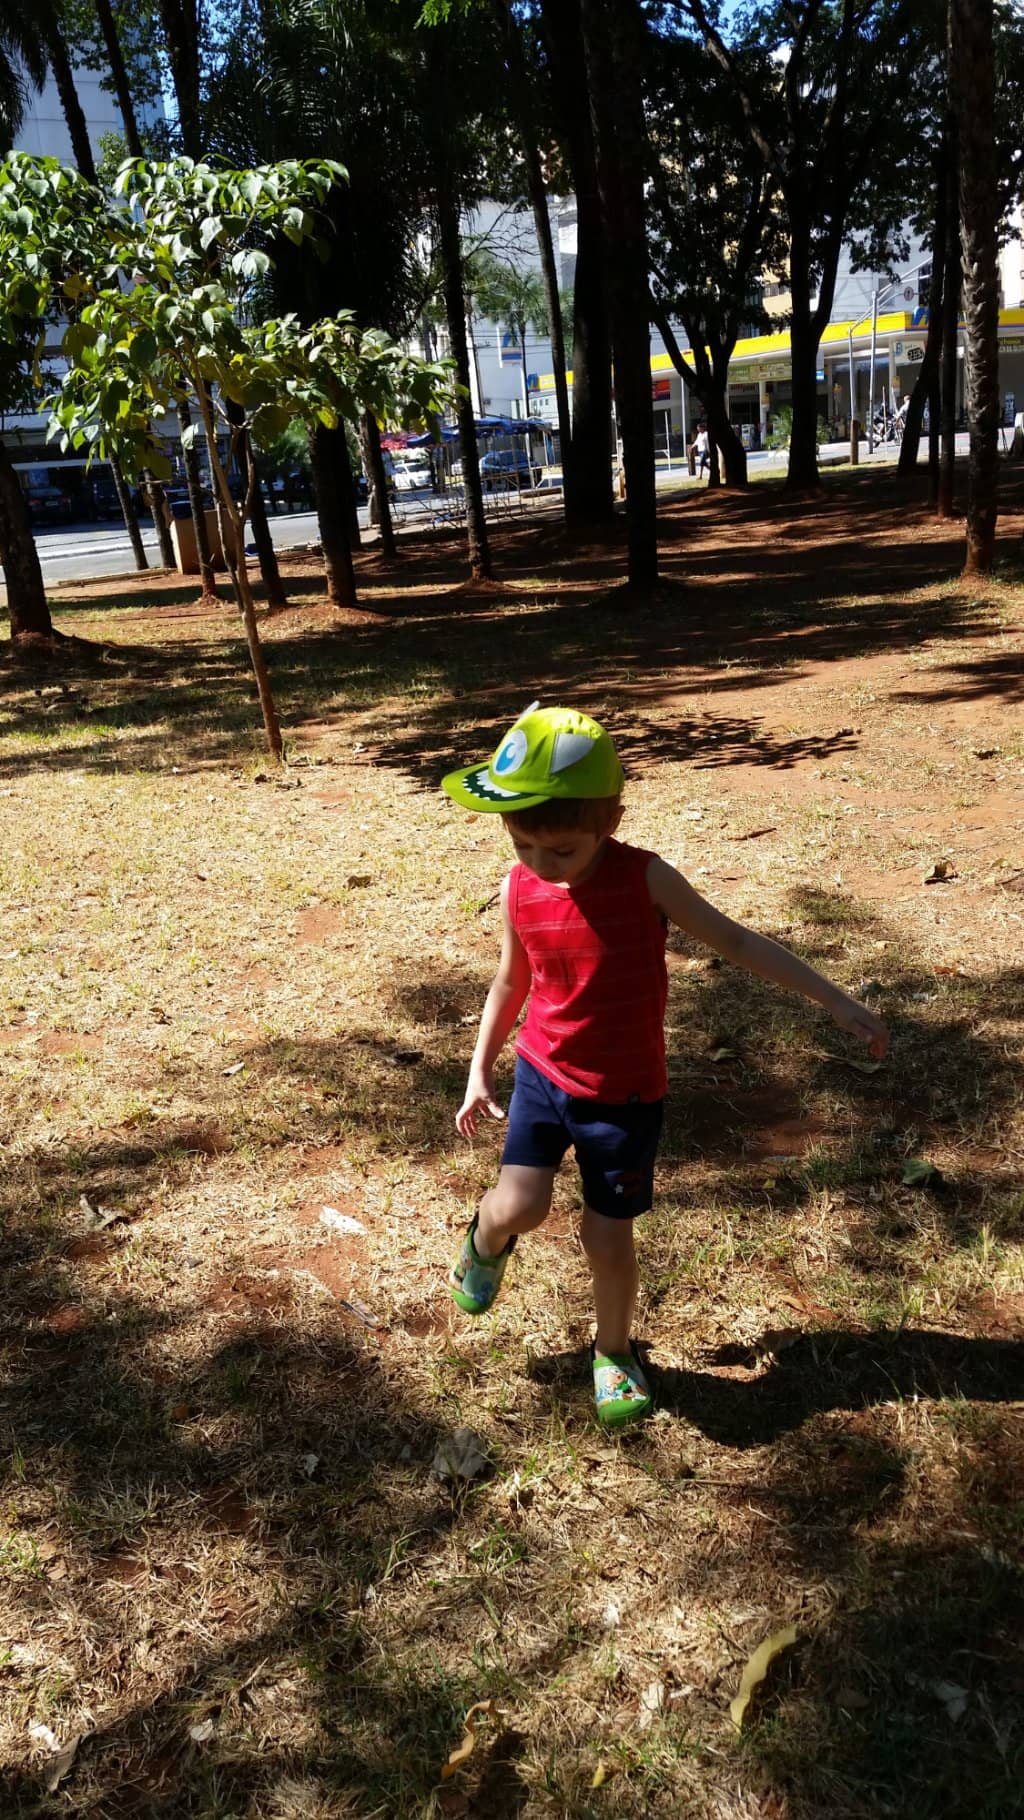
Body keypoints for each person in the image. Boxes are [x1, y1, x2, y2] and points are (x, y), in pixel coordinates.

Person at [441, 705, 889, 1430]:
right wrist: (479, 1069)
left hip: (623, 1098)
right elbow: (509, 981)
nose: (539, 864)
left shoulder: (646, 879)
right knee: (521, 1206)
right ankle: (484, 1241)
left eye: (559, 849)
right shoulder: (518, 887)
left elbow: (739, 943)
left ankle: (613, 1352)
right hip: (542, 1076)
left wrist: (834, 1000)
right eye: (522, 843)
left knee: (605, 1238)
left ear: (609, 818)